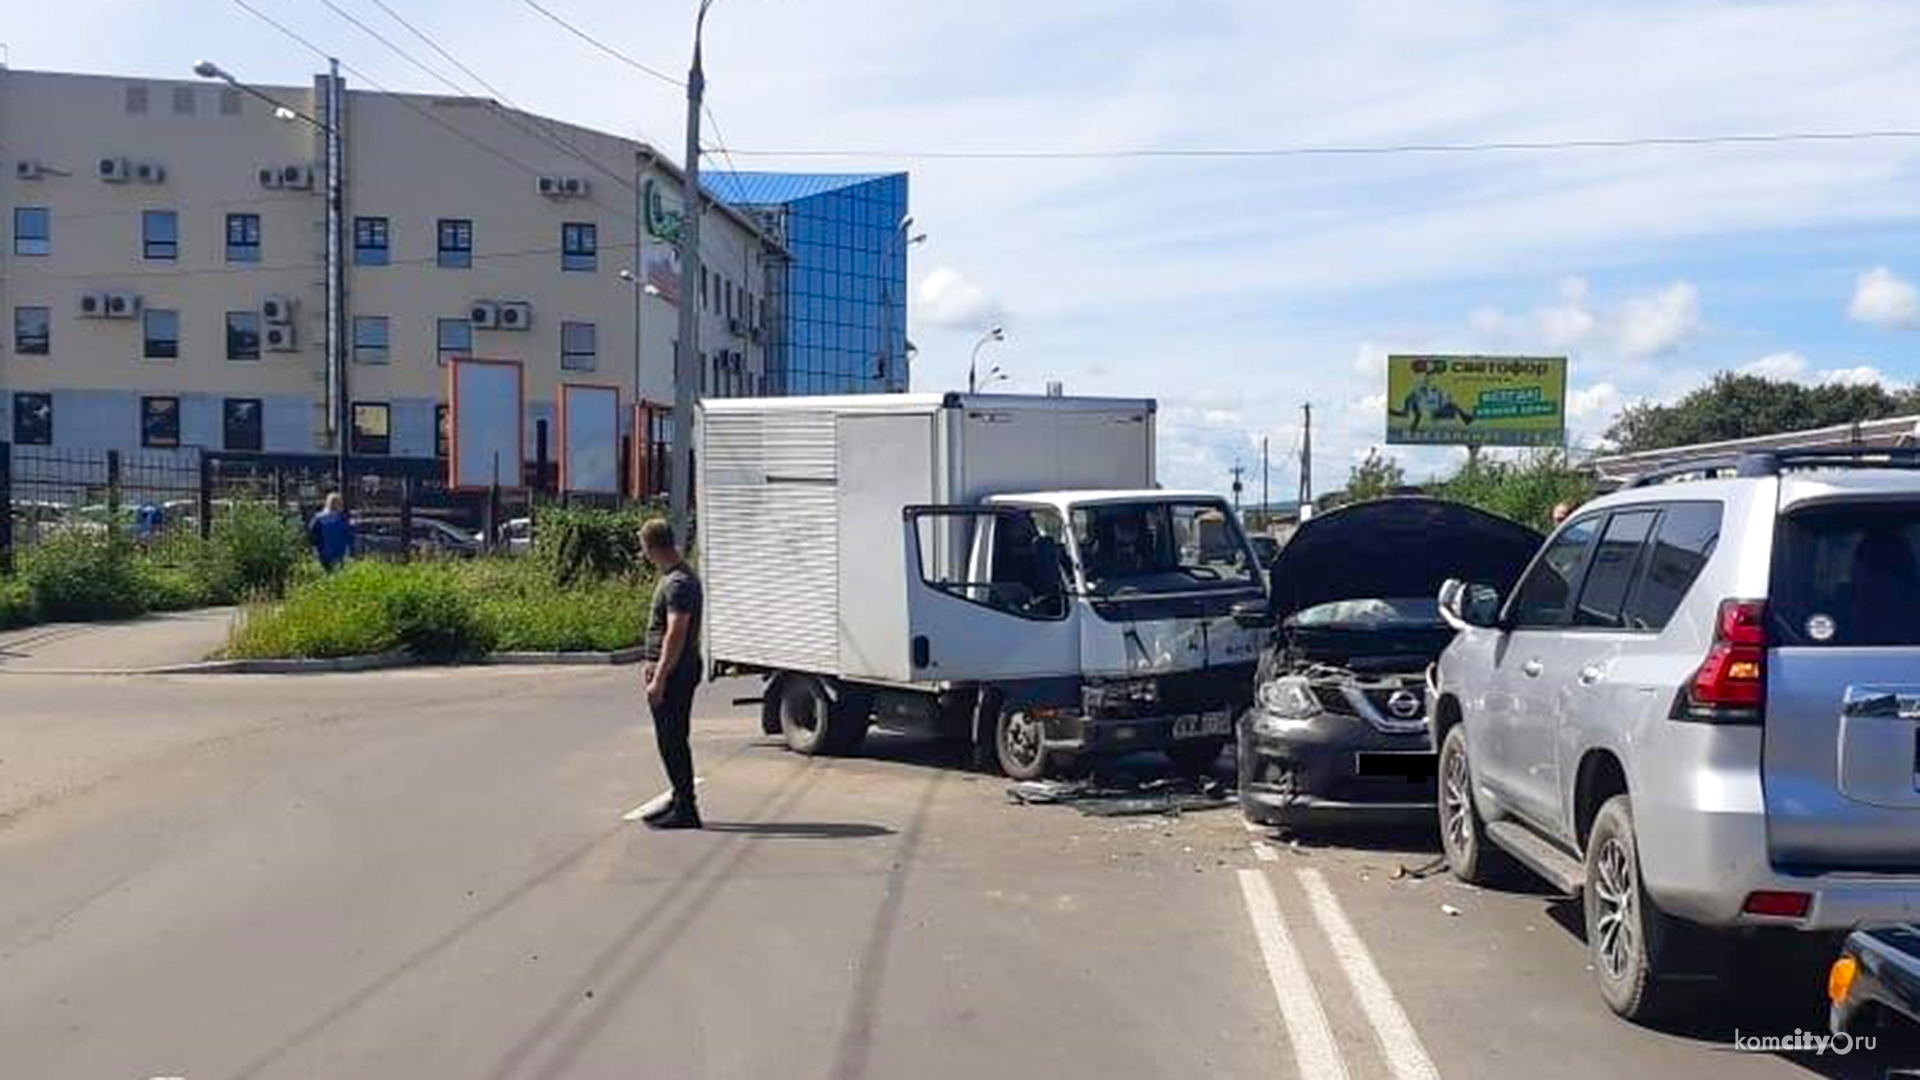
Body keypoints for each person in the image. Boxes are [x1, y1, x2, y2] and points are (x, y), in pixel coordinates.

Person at [639, 518, 705, 830]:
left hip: (676, 672)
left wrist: (660, 678)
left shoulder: (678, 582)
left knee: (672, 740)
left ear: (652, 548)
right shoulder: (676, 577)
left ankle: (686, 808)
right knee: (672, 738)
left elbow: (676, 633)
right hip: (677, 669)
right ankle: (679, 797)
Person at [308, 492, 355, 573]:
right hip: (339, 553)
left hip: (323, 553)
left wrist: (315, 549)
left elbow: (312, 536)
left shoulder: (318, 518)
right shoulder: (343, 518)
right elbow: (349, 535)